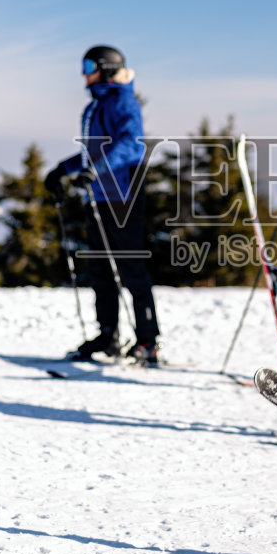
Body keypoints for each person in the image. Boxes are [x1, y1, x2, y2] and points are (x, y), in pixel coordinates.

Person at [44, 45, 160, 366]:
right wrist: (62, 170)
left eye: (89, 66)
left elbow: (131, 145)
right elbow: (92, 152)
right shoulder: (96, 106)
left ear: (106, 68)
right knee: (100, 268)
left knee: (130, 267)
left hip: (123, 194)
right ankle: (108, 335)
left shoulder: (123, 101)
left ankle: (148, 341)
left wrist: (95, 170)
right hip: (99, 195)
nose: (83, 73)